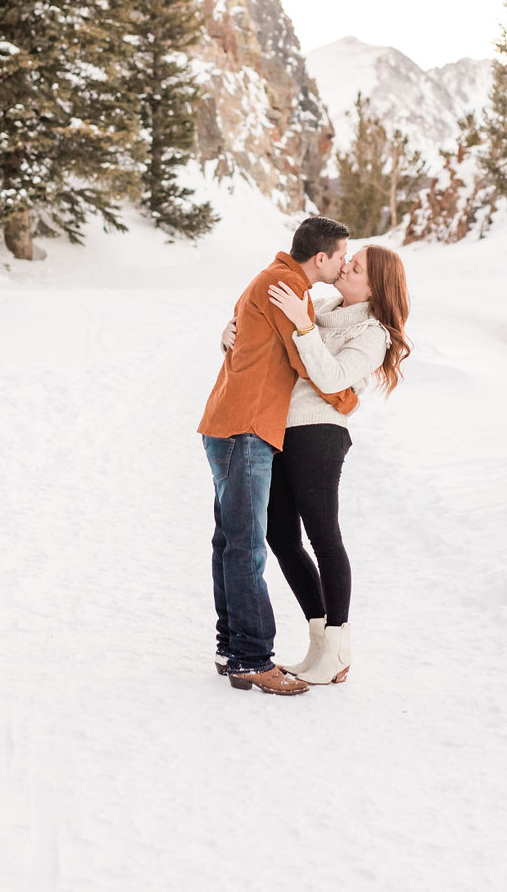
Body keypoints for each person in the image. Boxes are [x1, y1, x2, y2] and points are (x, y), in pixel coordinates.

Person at [197, 215, 355, 697]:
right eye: (342, 257)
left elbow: (244, 341)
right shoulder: (288, 285)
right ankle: (251, 659)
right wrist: (347, 400)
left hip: (228, 423)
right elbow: (305, 360)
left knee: (230, 542)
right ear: (321, 257)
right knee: (245, 546)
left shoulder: (270, 279)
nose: (344, 265)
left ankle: (231, 648)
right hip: (246, 428)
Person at [262, 244, 410, 686]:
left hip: (321, 434)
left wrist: (305, 326)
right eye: (350, 259)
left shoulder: (373, 333)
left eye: (357, 266)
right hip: (282, 429)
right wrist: (229, 334)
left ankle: (338, 648)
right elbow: (273, 347)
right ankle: (320, 639)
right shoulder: (322, 306)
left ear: (374, 285)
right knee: (280, 535)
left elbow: (330, 379)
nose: (345, 266)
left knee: (324, 537)